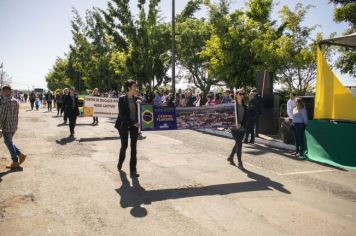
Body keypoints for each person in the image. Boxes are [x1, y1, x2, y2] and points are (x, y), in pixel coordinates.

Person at [115, 80, 141, 178]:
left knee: (133, 148)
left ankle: (133, 170)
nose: (136, 88)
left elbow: (142, 111)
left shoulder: (137, 98)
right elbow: (122, 115)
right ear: (129, 88)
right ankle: (120, 162)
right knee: (124, 146)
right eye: (134, 86)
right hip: (124, 125)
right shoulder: (122, 99)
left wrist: (141, 104)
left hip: (134, 126)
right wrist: (133, 123)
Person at [0, 86, 27, 170]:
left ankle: (15, 161)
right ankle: (20, 155)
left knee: (8, 142)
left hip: (6, 126)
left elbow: (1, 117)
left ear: (7, 92)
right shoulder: (16, 101)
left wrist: (0, 128)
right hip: (14, 126)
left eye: (3, 91)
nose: (2, 93)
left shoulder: (4, 102)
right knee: (9, 142)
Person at [227, 89, 247, 171]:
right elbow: (230, 115)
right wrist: (236, 124)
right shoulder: (233, 105)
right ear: (236, 95)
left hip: (242, 128)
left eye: (243, 94)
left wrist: (241, 124)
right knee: (239, 144)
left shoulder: (245, 106)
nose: (242, 95)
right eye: (240, 93)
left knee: (238, 143)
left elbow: (246, 118)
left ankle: (231, 157)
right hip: (234, 128)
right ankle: (240, 163)